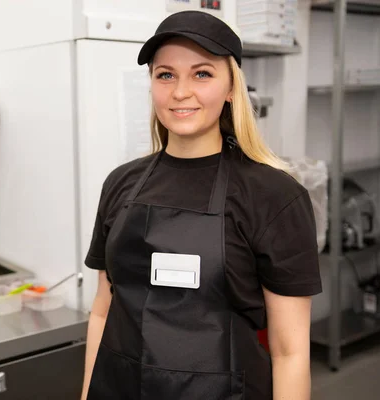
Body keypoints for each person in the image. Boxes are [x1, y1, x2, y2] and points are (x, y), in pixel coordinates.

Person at [81, 10, 322, 400]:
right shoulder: (120, 184)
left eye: (202, 73)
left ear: (231, 88)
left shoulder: (274, 196)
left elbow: (290, 352)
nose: (180, 92)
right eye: (166, 75)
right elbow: (102, 311)